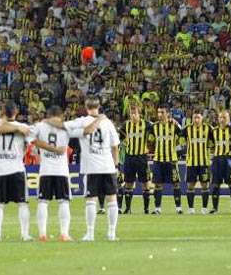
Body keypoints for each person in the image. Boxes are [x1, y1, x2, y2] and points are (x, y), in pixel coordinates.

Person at [50, 96, 120, 241]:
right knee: (112, 200)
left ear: (86, 107)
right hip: (108, 166)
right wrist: (116, 165)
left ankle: (90, 233)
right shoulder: (108, 123)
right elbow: (115, 147)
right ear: (99, 106)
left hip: (91, 167)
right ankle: (112, 233)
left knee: (90, 200)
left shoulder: (81, 121)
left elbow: (63, 126)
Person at [29, 105, 101, 242]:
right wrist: (99, 119)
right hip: (61, 171)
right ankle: (64, 234)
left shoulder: (40, 126)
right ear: (61, 116)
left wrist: (47, 147)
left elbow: (30, 138)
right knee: (64, 202)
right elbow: (87, 131)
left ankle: (42, 234)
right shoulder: (66, 127)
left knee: (43, 202)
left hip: (46, 171)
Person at [0, 100, 32, 242]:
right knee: (23, 203)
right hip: (17, 169)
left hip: (1, 170)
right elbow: (29, 136)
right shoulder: (23, 126)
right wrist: (17, 128)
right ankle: (25, 234)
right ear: (17, 112)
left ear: (2, 112)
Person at [148, 105, 183, 215]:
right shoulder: (154, 127)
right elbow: (150, 141)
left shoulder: (174, 125)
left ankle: (178, 208)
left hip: (171, 160)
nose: (159, 114)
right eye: (158, 112)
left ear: (167, 113)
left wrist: (177, 150)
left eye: (162, 112)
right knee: (158, 185)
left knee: (176, 184)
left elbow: (182, 138)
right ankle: (157, 208)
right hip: (158, 160)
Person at [119, 103, 152, 214]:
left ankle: (146, 209)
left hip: (142, 158)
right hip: (129, 158)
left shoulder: (147, 125)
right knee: (128, 183)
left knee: (145, 183)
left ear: (139, 114)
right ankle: (128, 208)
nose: (133, 116)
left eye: (135, 114)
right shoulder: (125, 125)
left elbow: (157, 128)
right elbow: (119, 138)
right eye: (131, 114)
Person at [180, 108, 213, 214]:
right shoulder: (187, 129)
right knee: (190, 185)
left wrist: (209, 146)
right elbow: (181, 140)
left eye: (198, 117)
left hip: (204, 162)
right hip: (191, 162)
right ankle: (191, 208)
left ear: (202, 118)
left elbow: (213, 141)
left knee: (205, 185)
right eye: (195, 117)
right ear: (192, 118)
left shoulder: (208, 128)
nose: (196, 120)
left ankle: (204, 208)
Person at [210, 110, 231, 214]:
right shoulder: (214, 131)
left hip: (229, 159)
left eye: (224, 117)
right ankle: (215, 208)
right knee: (216, 184)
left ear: (229, 119)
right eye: (220, 117)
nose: (222, 119)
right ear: (218, 119)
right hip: (217, 160)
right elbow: (211, 144)